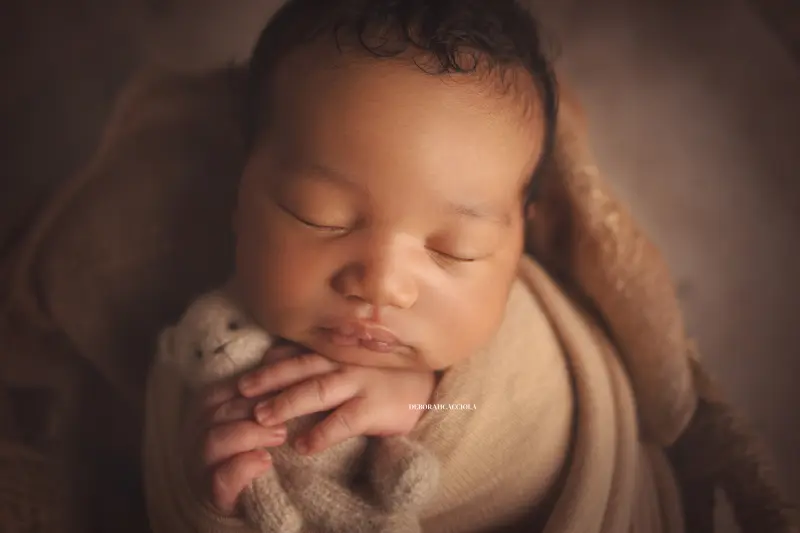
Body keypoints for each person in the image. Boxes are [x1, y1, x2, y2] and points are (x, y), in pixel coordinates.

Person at [143, 1, 689, 532]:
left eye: (457, 248)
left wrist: (434, 404)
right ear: (241, 197)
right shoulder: (207, 345)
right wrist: (210, 504)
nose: (382, 285)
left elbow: (556, 435)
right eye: (320, 216)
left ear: (520, 238)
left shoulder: (525, 338)